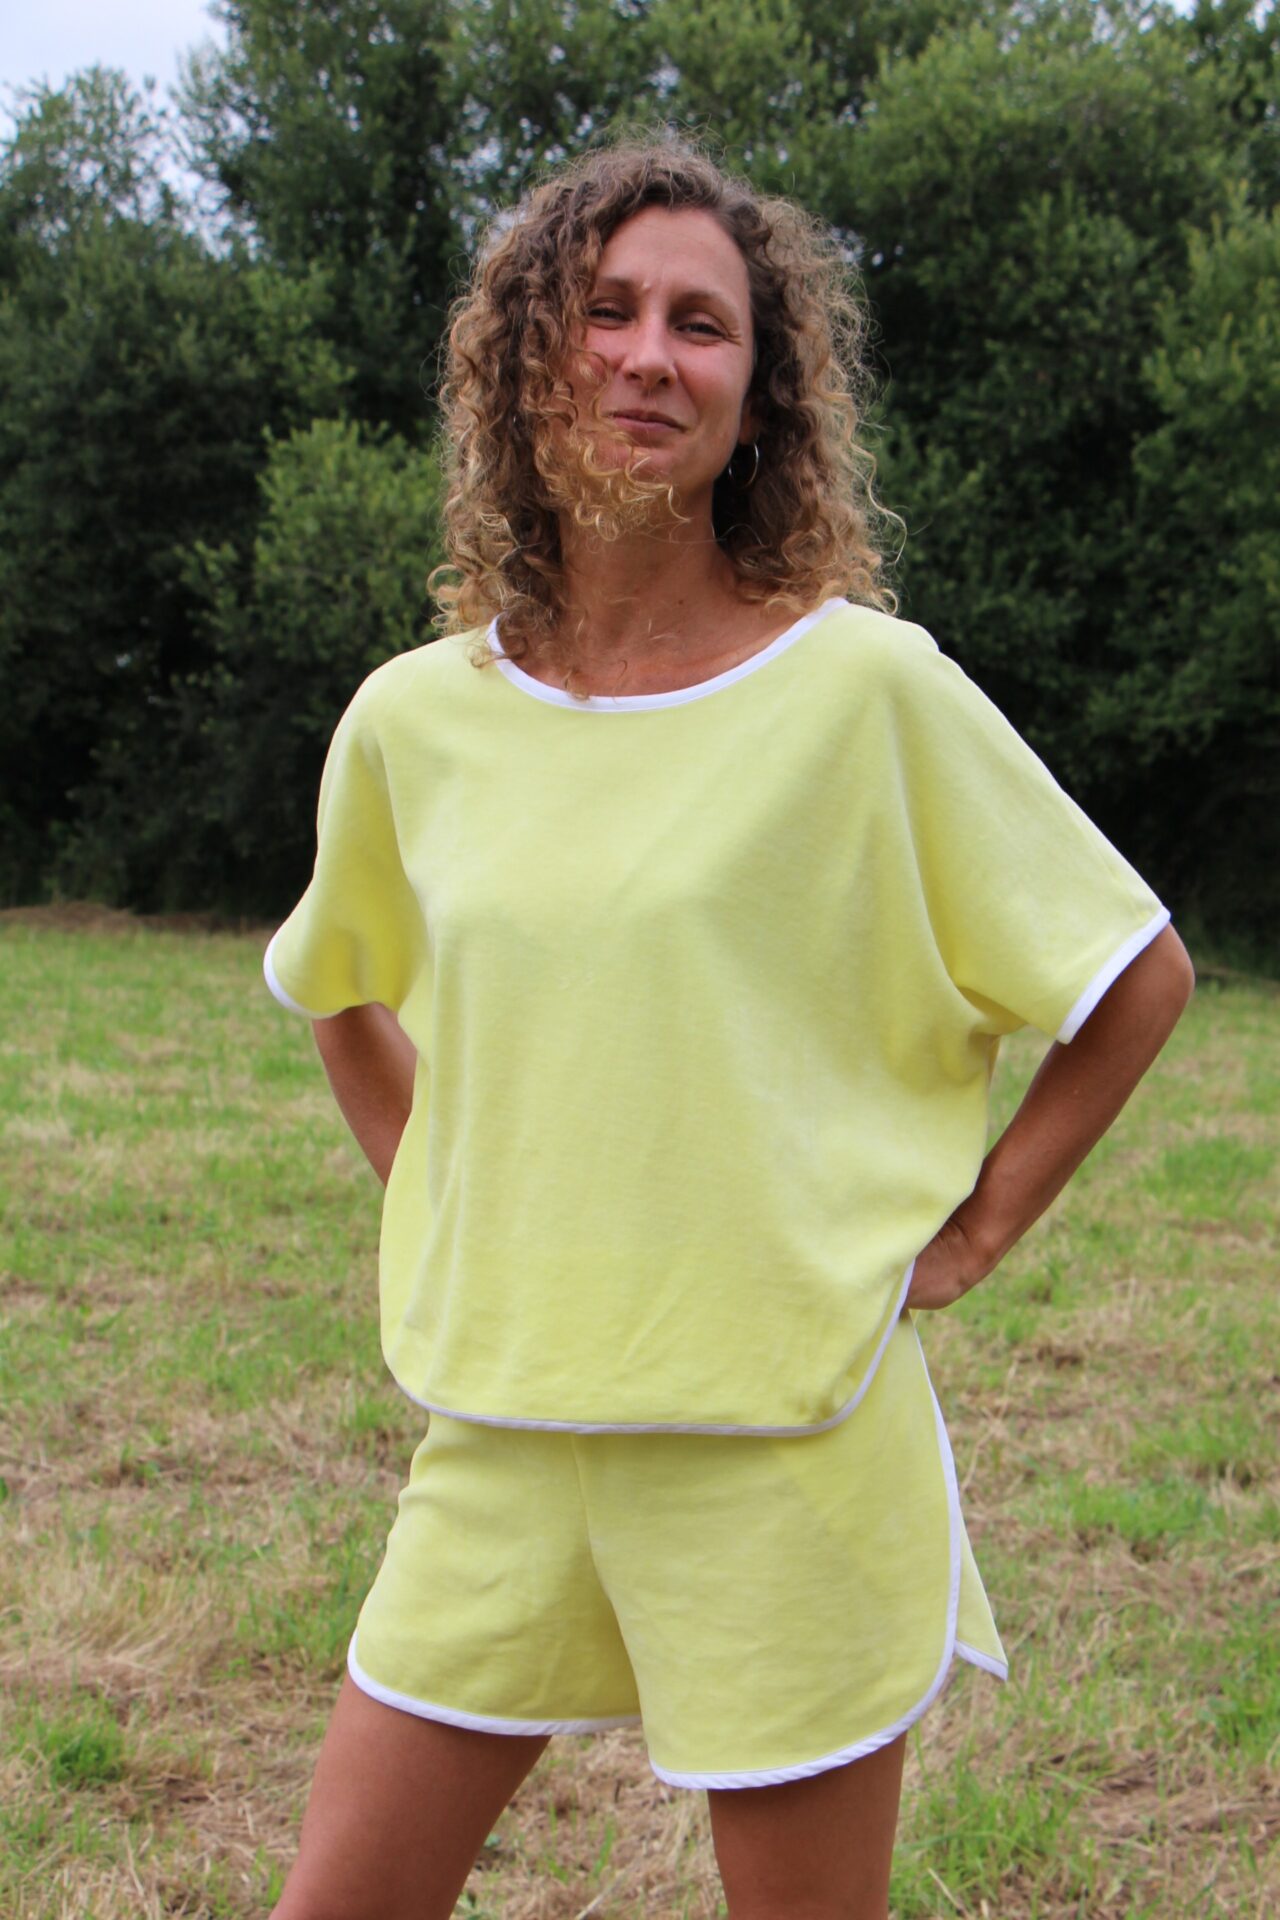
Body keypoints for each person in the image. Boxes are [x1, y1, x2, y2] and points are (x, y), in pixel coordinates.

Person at [261, 140, 1194, 1920]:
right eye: (605, 310)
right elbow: (340, 984)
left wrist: (976, 1231)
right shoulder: (411, 722)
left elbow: (1133, 976)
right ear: (527, 357)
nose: (648, 356)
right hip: (504, 1435)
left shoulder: (863, 691)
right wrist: (444, 1193)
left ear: (759, 400)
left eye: (702, 325)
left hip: (787, 1444)